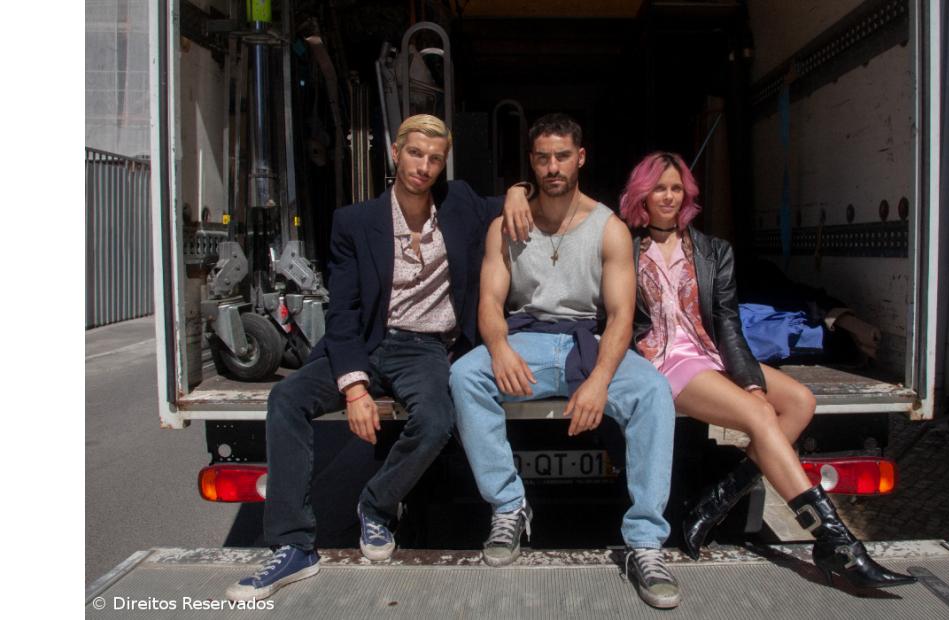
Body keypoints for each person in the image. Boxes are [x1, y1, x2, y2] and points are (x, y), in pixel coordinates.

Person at [227, 114, 533, 601]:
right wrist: (354, 387)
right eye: (415, 154)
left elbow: (517, 200)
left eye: (434, 159)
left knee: (435, 420)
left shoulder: (460, 203)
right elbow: (344, 312)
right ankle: (293, 545)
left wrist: (518, 189)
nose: (424, 166)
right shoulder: (354, 222)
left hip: (424, 348)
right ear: (395, 152)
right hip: (364, 343)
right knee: (287, 399)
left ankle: (375, 505)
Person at [619, 151, 915, 589]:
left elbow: (728, 324)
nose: (668, 196)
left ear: (688, 195)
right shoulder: (624, 248)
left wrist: (750, 381)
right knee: (759, 415)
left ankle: (713, 503)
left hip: (710, 353)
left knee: (800, 402)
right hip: (663, 359)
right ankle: (837, 543)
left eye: (676, 188)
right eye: (659, 188)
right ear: (642, 194)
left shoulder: (712, 251)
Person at [449, 114, 682, 609]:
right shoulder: (505, 226)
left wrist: (599, 380)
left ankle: (645, 542)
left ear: (580, 158)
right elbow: (489, 302)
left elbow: (620, 316)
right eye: (542, 158)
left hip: (586, 342)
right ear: (531, 163)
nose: (552, 167)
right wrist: (499, 349)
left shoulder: (608, 227)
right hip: (527, 339)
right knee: (465, 375)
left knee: (653, 391)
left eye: (561, 156)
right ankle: (509, 506)